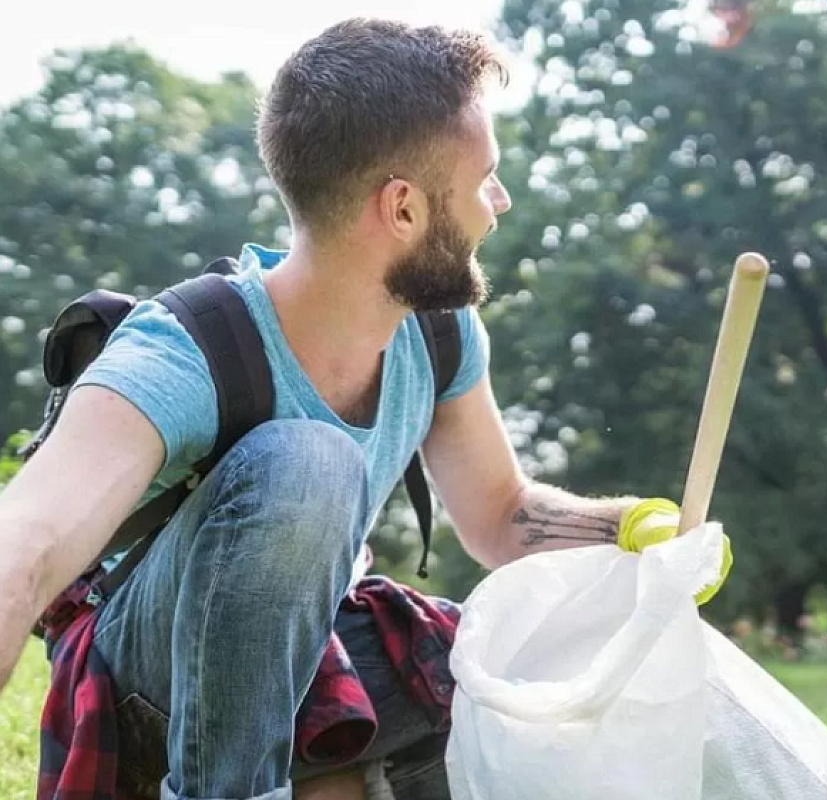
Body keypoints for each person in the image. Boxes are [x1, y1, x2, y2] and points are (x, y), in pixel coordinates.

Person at [0, 18, 731, 800]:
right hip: (148, 681)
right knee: (308, 463)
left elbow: (501, 514)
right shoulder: (188, 348)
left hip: (312, 652)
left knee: (499, 666)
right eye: (484, 176)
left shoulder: (439, 334)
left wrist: (634, 530)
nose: (500, 201)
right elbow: (26, 547)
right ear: (404, 208)